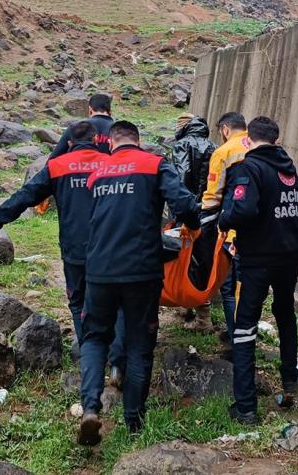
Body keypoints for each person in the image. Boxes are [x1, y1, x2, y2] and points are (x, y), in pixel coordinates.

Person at [77, 121, 201, 445]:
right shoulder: (154, 165)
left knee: (94, 338)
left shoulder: (96, 173)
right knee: (139, 344)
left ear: (112, 143)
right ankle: (133, 422)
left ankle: (90, 408)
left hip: (100, 270)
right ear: (138, 140)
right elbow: (184, 204)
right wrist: (192, 224)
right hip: (142, 271)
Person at [0, 121, 126, 384]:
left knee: (79, 302)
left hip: (74, 249)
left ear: (69, 143)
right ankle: (117, 364)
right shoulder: (112, 164)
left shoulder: (58, 166)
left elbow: (26, 195)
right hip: (110, 247)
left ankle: (91, 359)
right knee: (115, 302)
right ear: (96, 141)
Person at [218, 116, 298, 425]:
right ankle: (290, 381)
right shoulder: (289, 170)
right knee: (285, 314)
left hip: (258, 258)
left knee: (244, 326)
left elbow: (243, 209)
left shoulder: (249, 168)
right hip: (290, 254)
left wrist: (224, 220)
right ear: (276, 139)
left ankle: (246, 407)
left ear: (249, 139)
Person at [199, 111, 251, 338]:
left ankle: (236, 338)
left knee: (228, 288)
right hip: (261, 231)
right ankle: (246, 334)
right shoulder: (259, 145)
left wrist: (205, 226)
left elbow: (213, 195)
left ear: (225, 129)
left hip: (232, 231)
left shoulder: (224, 152)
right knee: (248, 287)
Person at [169, 113, 217, 329]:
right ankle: (203, 315)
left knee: (183, 258)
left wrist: (177, 212)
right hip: (209, 213)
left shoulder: (182, 145)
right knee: (203, 261)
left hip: (187, 212)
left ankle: (184, 305)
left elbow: (180, 179)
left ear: (183, 127)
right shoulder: (214, 146)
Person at [51, 93, 114, 157]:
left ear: (90, 109)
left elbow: (53, 158)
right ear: (110, 111)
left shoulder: (75, 127)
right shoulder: (118, 129)